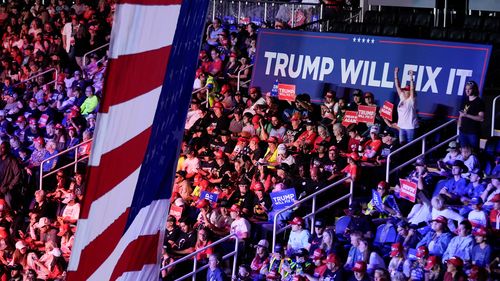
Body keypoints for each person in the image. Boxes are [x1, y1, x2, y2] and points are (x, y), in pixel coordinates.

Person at [393, 67, 418, 144]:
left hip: (410, 127)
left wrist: (411, 77)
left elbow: (412, 89)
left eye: (406, 91)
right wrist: (396, 74)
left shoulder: (411, 100)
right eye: (404, 90)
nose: (404, 91)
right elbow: (397, 86)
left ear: (409, 92)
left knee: (410, 146)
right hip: (402, 127)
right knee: (401, 146)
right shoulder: (402, 98)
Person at [458, 80, 485, 151]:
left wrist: (467, 115)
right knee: (463, 153)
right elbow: (461, 115)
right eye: (466, 89)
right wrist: (459, 126)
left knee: (474, 153)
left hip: (473, 132)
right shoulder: (464, 100)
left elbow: (481, 118)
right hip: (463, 132)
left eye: (469, 89)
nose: (467, 91)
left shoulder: (479, 102)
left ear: (474, 90)